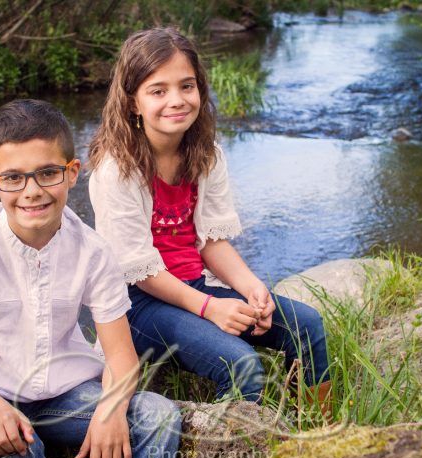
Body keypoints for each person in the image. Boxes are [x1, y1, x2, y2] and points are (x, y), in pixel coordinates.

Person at [0, 99, 181, 458]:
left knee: (157, 416)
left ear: (73, 172)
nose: (32, 191)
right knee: (16, 456)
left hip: (60, 390)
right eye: (13, 177)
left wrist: (110, 409)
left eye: (47, 173)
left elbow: (120, 354)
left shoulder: (93, 251)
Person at [87, 28, 331, 408]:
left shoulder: (206, 155)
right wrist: (209, 308)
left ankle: (318, 434)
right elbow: (140, 271)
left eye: (187, 86)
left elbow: (212, 242)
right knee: (242, 366)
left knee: (307, 326)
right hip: (137, 304)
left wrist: (253, 289)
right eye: (158, 91)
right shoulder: (116, 170)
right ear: (133, 102)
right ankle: (228, 453)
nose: (177, 100)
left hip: (195, 286)